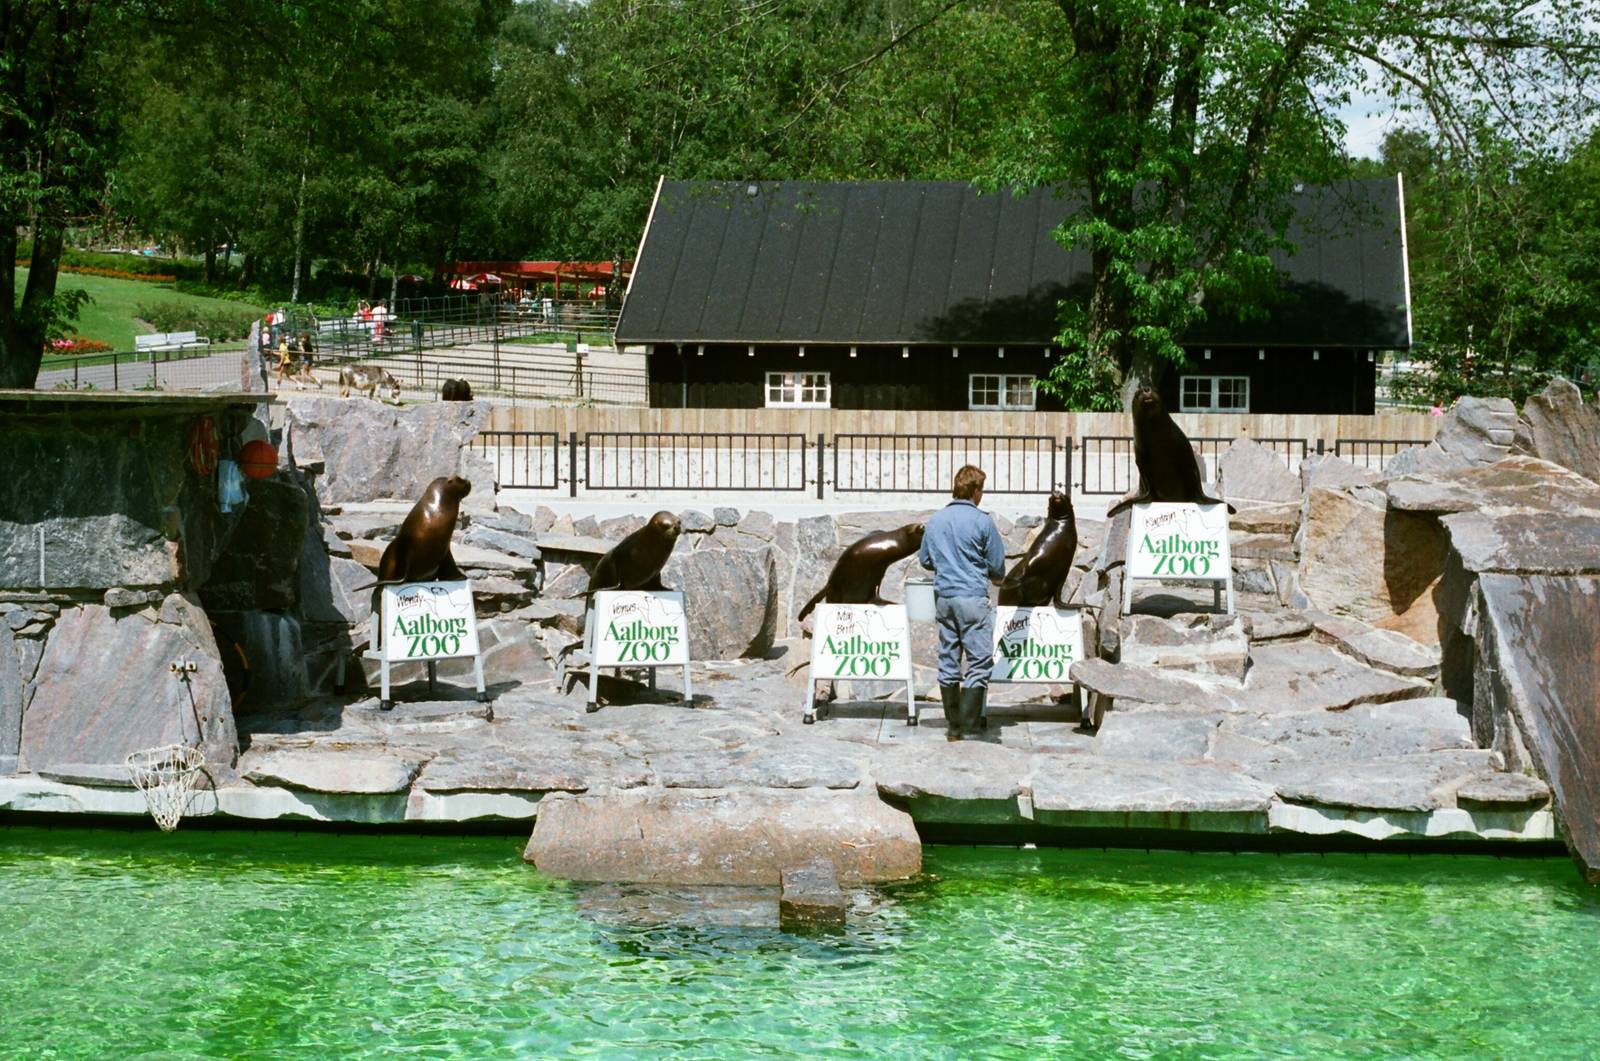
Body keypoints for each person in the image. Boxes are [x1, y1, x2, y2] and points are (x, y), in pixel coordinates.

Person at [918, 464, 1005, 741]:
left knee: (948, 660)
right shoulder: (982, 521)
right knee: (978, 662)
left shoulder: (936, 520)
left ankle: (953, 727)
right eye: (982, 490)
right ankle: (969, 727)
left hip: (944, 598)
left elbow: (925, 560)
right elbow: (997, 567)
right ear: (975, 490)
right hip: (972, 598)